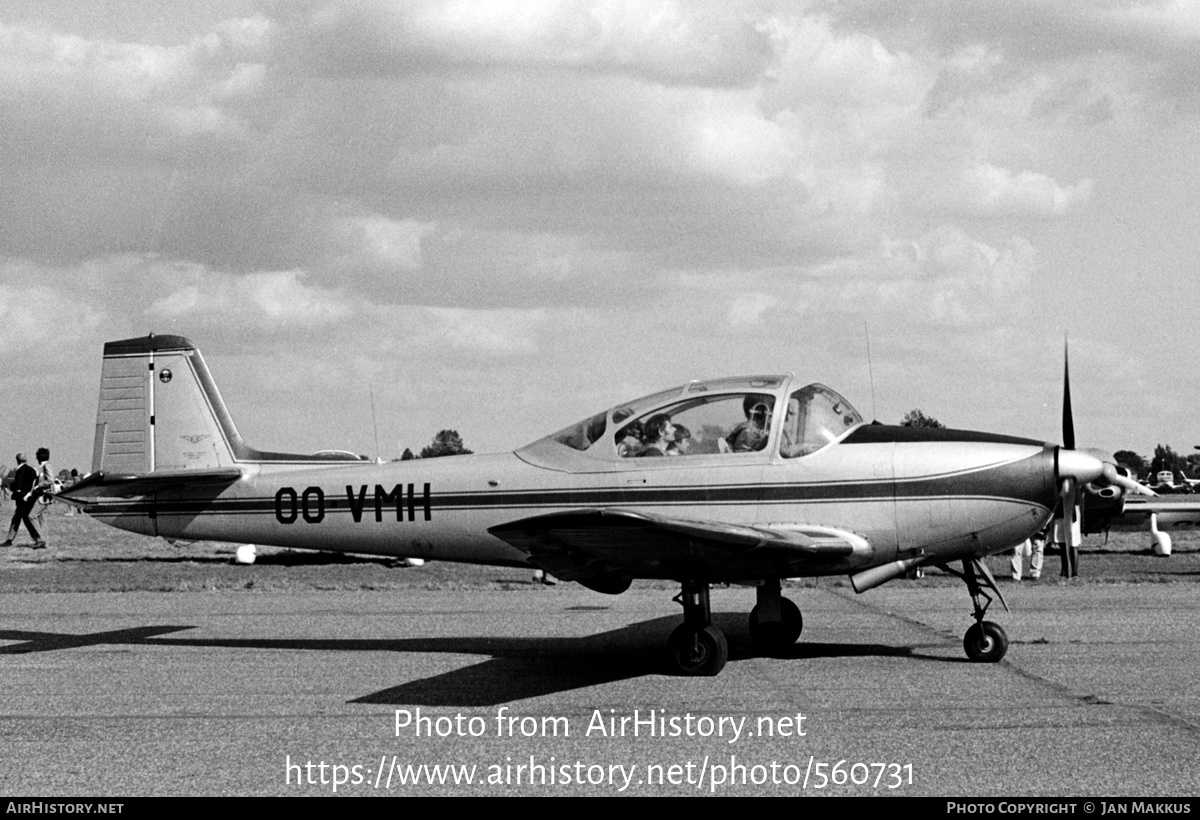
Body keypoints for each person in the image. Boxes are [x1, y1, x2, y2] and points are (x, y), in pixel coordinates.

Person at [3, 453, 45, 548]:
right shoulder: (32, 470)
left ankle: (38, 539)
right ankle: (10, 539)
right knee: (19, 519)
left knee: (23, 519)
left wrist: (12, 486)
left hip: (22, 500)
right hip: (30, 499)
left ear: (17, 460)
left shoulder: (20, 470)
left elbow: (18, 486)